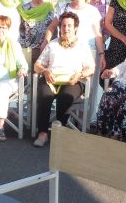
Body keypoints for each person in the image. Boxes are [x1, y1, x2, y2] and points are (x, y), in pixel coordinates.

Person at [32, 11, 95, 147]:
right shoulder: (52, 44)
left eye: (69, 26)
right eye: (63, 25)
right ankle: (42, 133)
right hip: (51, 79)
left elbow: (91, 68)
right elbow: (37, 65)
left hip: (73, 81)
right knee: (44, 96)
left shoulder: (83, 45)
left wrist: (79, 74)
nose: (66, 28)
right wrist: (45, 70)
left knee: (65, 97)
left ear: (75, 28)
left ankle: (59, 132)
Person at [45, 0, 106, 70]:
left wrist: (102, 54)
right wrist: (45, 43)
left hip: (88, 53)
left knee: (89, 83)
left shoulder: (93, 11)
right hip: (66, 51)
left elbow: (98, 35)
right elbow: (51, 27)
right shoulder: (64, 8)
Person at [18, 0, 58, 67]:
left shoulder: (51, 7)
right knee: (28, 79)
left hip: (48, 50)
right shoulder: (24, 9)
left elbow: (56, 29)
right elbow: (21, 32)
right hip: (28, 51)